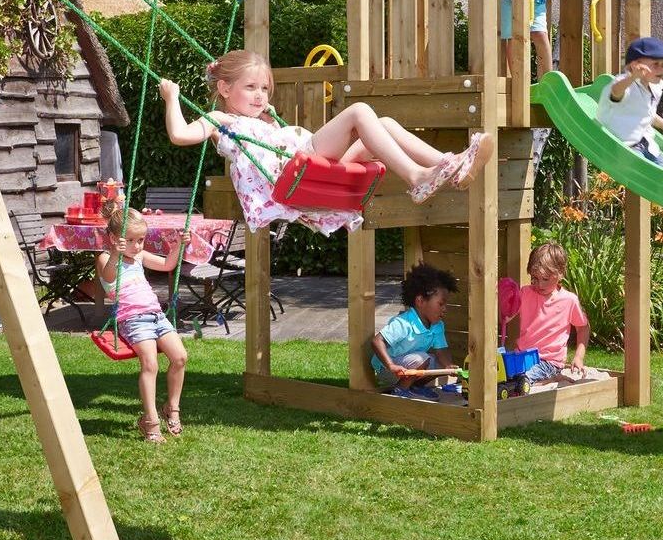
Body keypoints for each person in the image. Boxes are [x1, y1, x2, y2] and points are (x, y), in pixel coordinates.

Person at [159, 50, 494, 235]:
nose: (260, 95)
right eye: (251, 88)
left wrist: (270, 120)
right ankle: (416, 177)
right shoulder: (222, 120)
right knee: (359, 111)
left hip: (313, 166)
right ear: (224, 89)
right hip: (296, 169)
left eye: (264, 89)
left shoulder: (260, 120)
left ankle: (450, 165)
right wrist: (172, 98)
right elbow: (179, 135)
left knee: (385, 124)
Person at [96, 201, 186, 444]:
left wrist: (178, 246)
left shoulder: (139, 256)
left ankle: (172, 408)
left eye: (141, 240)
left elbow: (167, 265)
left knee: (180, 357)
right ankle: (150, 421)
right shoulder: (106, 258)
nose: (137, 246)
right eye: (132, 240)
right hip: (133, 320)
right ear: (114, 239)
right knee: (150, 364)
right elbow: (108, 277)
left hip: (156, 315)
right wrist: (116, 253)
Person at [371, 262, 459, 399]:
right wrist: (391, 365)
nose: (444, 309)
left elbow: (441, 350)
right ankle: (400, 390)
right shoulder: (404, 323)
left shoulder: (437, 326)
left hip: (410, 366)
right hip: (387, 369)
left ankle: (415, 387)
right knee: (422, 358)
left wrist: (448, 365)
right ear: (420, 301)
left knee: (437, 363)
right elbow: (377, 341)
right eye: (441, 304)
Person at [596, 36, 663, 170]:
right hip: (624, 146)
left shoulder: (655, 87)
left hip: (646, 142)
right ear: (635, 65)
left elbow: (647, 113)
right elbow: (616, 93)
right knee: (643, 170)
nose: (661, 70)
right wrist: (632, 77)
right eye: (655, 64)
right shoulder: (624, 83)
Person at [513, 242, 590, 384]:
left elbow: (583, 327)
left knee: (523, 381)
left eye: (545, 279)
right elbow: (507, 315)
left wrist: (578, 357)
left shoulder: (569, 300)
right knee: (505, 378)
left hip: (549, 362)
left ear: (560, 273)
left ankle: (553, 378)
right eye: (535, 278)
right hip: (522, 357)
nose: (539, 284)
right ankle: (546, 380)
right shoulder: (525, 293)